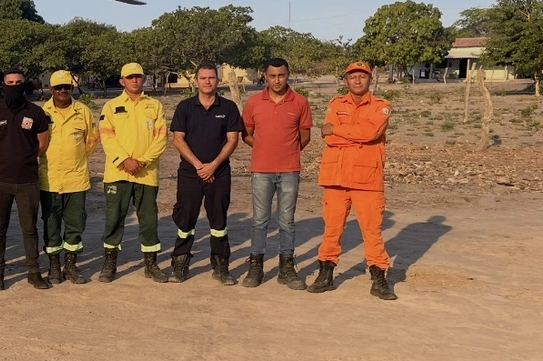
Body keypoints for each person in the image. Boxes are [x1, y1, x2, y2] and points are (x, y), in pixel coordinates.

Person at [310, 61, 397, 300]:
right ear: (345, 80)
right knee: (331, 230)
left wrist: (338, 130)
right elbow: (327, 138)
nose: (357, 80)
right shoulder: (335, 104)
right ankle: (325, 275)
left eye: (362, 76)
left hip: (367, 179)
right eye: (352, 77)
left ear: (370, 80)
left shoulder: (381, 106)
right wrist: (353, 135)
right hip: (336, 178)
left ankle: (379, 280)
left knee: (372, 232)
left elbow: (370, 133)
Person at [240, 58, 312, 289]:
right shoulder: (253, 102)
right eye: (272, 76)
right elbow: (247, 134)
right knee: (260, 220)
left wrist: (287, 151)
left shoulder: (300, 102)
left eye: (281, 75)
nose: (277, 80)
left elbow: (305, 137)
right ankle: (255, 267)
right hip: (261, 170)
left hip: (290, 170)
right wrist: (264, 149)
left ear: (288, 75)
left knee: (287, 221)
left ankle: (287, 268)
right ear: (265, 76)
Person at [170, 63, 243, 285]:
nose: (207, 82)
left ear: (217, 81)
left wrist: (213, 165)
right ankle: (180, 264)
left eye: (211, 78)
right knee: (186, 220)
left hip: (219, 173)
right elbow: (177, 139)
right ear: (196, 81)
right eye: (203, 78)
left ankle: (221, 265)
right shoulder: (185, 107)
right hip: (190, 174)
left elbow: (233, 140)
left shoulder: (228, 108)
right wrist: (199, 166)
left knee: (218, 221)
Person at [0, 69, 51, 290]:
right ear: (3, 85)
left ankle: (33, 272)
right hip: (0, 179)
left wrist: (25, 159)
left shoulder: (35, 113)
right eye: (9, 83)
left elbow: (42, 143)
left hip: (28, 180)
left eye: (18, 82)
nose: (14, 86)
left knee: (29, 228)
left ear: (25, 84)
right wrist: (1, 158)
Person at [99, 63, 168, 282]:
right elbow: (106, 138)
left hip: (146, 173)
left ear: (144, 78)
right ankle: (109, 264)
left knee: (148, 220)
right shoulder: (111, 107)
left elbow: (161, 137)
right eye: (130, 77)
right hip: (118, 173)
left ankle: (151, 264)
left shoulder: (154, 105)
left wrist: (143, 161)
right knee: (114, 219)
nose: (134, 80)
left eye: (138, 76)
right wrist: (124, 160)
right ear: (122, 81)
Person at [39, 70, 98, 285]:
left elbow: (91, 141)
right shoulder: (42, 113)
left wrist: (76, 160)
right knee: (51, 224)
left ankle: (71, 265)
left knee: (75, 224)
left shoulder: (83, 111)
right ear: (51, 89)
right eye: (58, 87)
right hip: (49, 180)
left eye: (67, 87)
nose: (63, 90)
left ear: (71, 89)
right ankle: (54, 265)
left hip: (76, 179)